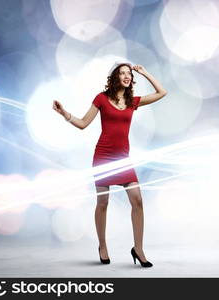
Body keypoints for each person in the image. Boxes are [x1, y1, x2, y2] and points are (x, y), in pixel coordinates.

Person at [52, 62, 167, 268]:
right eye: (122, 73)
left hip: (123, 159)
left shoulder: (133, 101)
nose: (127, 76)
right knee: (103, 204)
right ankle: (102, 245)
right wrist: (64, 114)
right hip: (103, 157)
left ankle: (138, 249)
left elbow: (162, 92)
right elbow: (83, 123)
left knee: (137, 201)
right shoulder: (101, 98)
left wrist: (144, 71)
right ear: (114, 77)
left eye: (129, 73)